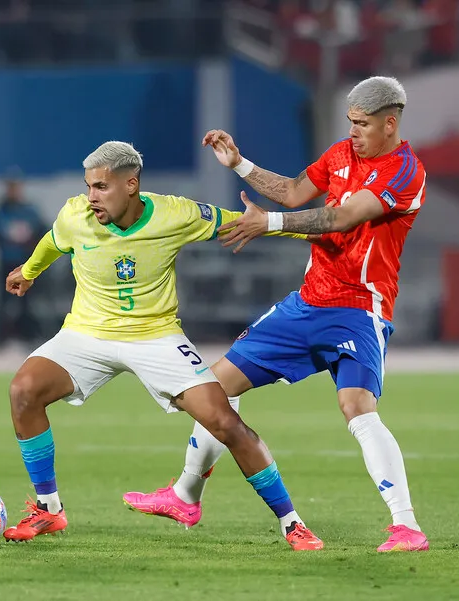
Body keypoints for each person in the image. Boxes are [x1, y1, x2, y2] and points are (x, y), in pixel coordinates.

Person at [124, 76, 430, 553]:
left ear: (390, 124)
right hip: (306, 303)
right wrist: (240, 164)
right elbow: (291, 193)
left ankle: (406, 526)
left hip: (357, 311)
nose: (353, 132)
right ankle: (185, 495)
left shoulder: (405, 171)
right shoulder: (339, 155)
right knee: (211, 389)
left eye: (362, 125)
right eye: (349, 122)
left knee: (358, 410)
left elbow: (342, 217)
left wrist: (265, 224)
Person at [0, 141, 324, 551]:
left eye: (101, 187)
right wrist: (29, 272)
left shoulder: (175, 214)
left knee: (225, 423)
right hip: (87, 332)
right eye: (88, 186)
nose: (91, 197)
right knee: (23, 390)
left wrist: (301, 227)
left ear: (131, 184)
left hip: (156, 336)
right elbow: (54, 240)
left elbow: (243, 222)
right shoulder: (75, 215)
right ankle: (49, 509)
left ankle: (292, 523)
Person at [0, 172, 47, 348]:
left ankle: (27, 336)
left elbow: (43, 234)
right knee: (3, 302)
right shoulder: (0, 211)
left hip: (26, 265)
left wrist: (28, 242)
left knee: (27, 301)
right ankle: (0, 340)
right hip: (6, 262)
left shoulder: (29, 211)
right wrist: (7, 240)